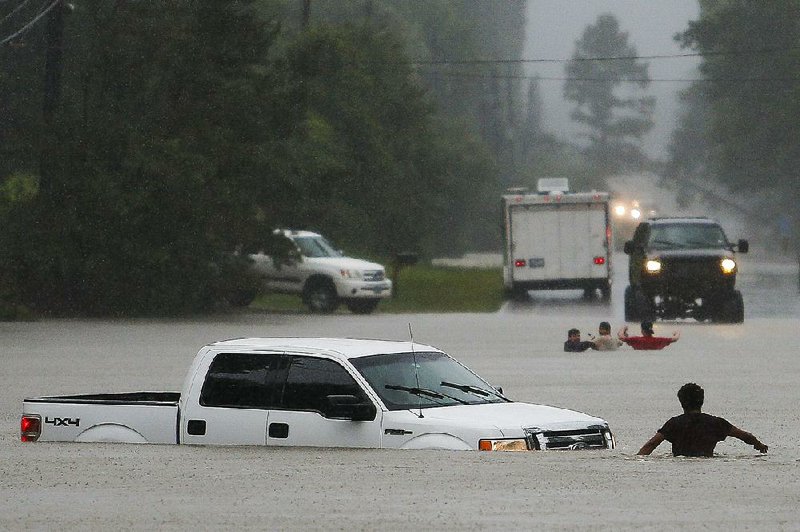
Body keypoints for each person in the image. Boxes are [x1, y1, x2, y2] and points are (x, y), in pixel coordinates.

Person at [638, 382, 768, 457]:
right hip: (707, 462)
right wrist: (759, 445)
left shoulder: (674, 424)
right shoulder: (716, 423)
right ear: (702, 401)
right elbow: (745, 436)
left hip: (679, 464)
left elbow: (651, 444)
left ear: (681, 402)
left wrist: (638, 459)